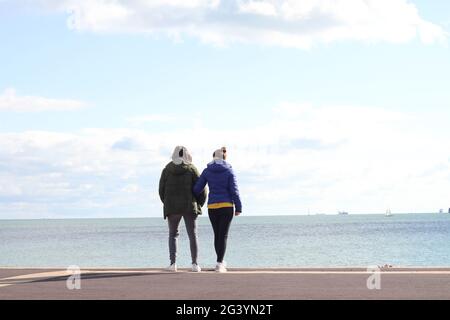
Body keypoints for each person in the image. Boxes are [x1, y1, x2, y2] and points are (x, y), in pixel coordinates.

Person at [194, 147, 242, 273]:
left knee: (217, 235)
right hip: (226, 206)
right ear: (225, 158)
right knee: (223, 235)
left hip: (212, 207)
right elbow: (234, 190)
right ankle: (220, 263)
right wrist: (238, 207)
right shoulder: (229, 171)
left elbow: (197, 189)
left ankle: (219, 261)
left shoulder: (207, 171)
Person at [159, 146, 206, 272]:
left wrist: (168, 202)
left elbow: (161, 190)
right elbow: (202, 188)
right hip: (189, 206)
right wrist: (199, 204)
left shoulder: (167, 169)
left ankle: (173, 264)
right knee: (193, 235)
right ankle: (195, 264)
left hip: (172, 207)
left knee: (173, 235)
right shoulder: (192, 169)